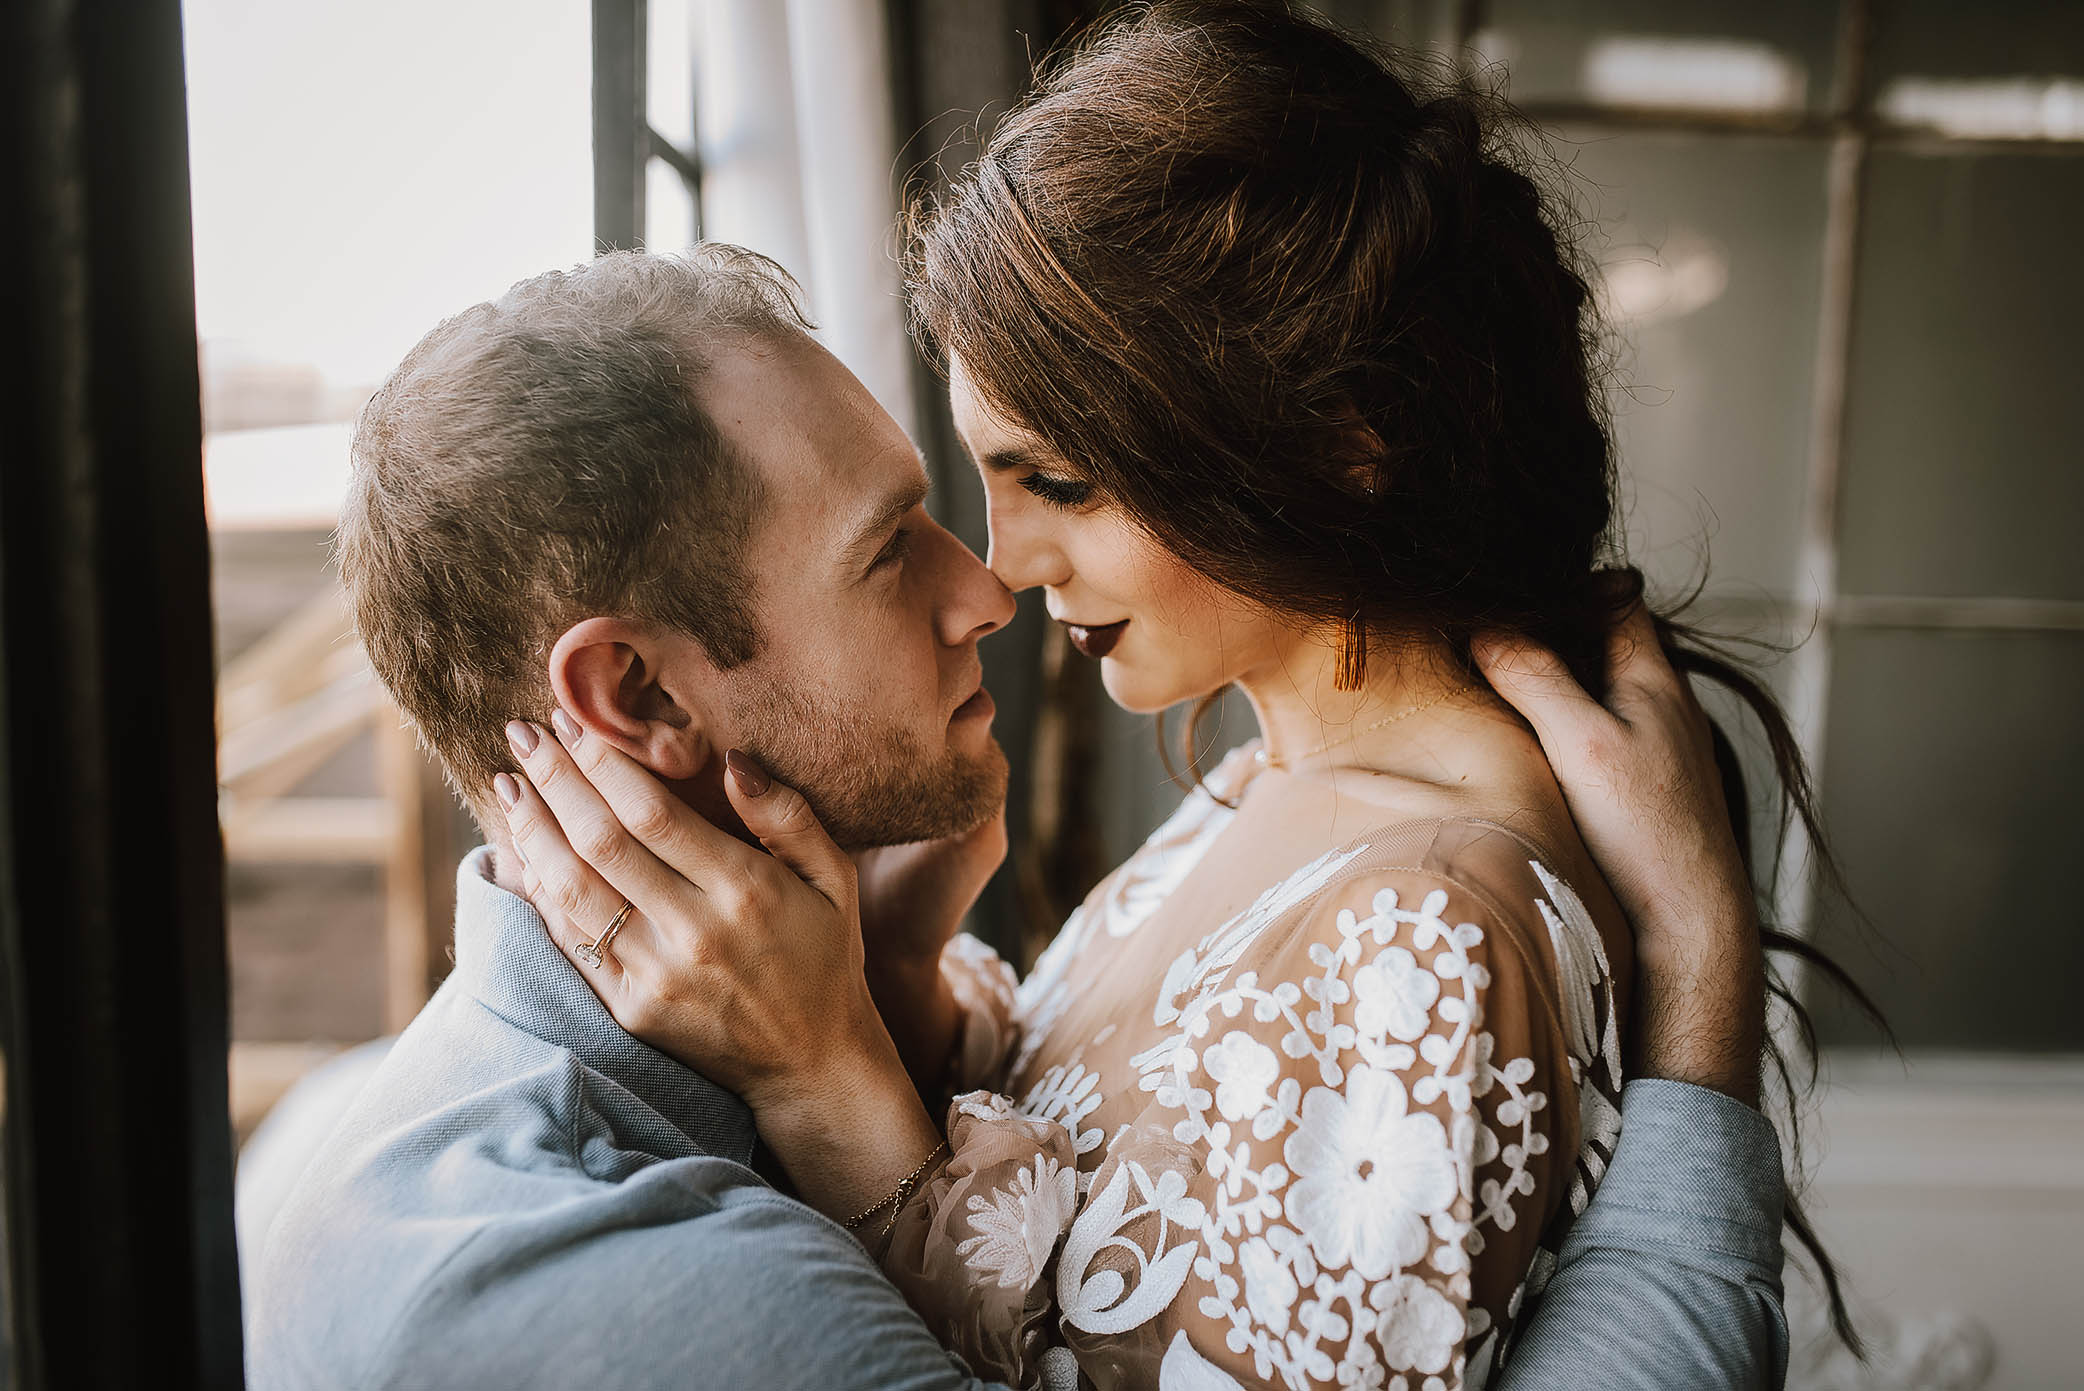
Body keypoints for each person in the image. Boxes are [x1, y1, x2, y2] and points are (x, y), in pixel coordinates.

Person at [501, 6, 1835, 1388]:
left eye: (1059, 485)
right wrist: (895, 979)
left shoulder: (1431, 927)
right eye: (987, 479)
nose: (1003, 569)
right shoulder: (1268, 778)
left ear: (1340, 447)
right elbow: (1100, 1158)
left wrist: (824, 1085)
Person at [249, 247, 1786, 1390]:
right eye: (882, 553)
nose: (986, 588)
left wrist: (890, 1002)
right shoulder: (661, 1294)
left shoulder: (405, 1112)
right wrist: (1705, 984)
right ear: (639, 702)